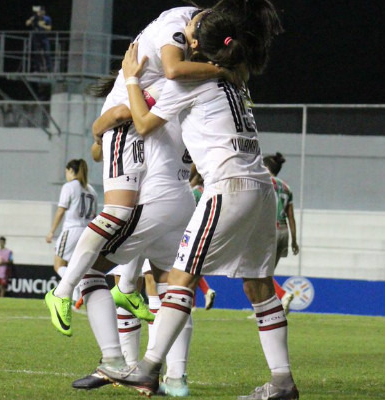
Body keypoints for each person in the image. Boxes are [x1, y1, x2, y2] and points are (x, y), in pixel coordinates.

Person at [97, 4, 298, 399]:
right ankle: (282, 382)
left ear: (200, 46)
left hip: (228, 186)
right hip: (260, 185)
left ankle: (149, 366)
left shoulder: (188, 83)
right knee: (259, 288)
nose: (186, 37)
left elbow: (141, 122)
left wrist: (133, 80)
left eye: (191, 34)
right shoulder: (236, 80)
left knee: (181, 277)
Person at [48, 4, 237, 396]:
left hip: (152, 201)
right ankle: (173, 377)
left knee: (93, 271)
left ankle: (110, 355)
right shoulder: (213, 90)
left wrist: (130, 83)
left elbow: (130, 117)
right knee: (172, 288)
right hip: (182, 201)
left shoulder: (176, 84)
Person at [46, 159, 97, 306]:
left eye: (66, 172)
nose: (66, 175)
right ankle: (77, 294)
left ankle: (76, 289)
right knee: (74, 265)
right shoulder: (91, 190)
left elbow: (61, 209)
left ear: (70, 171)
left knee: (58, 264)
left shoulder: (69, 186)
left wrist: (51, 231)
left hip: (72, 229)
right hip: (87, 231)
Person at [264, 152, 299, 313]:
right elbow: (291, 216)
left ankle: (283, 295)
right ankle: (272, 308)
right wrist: (294, 240)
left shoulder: (264, 182)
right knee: (267, 273)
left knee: (260, 273)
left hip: (269, 230)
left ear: (265, 167)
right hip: (284, 231)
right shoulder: (287, 187)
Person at [189, 163, 217, 310]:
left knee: (186, 268)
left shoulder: (194, 192)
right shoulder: (208, 191)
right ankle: (202, 294)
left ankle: (201, 295)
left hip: (193, 231)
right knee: (193, 268)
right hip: (209, 231)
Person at [25, 5, 52, 72]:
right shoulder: (34, 18)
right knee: (36, 54)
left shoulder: (47, 18)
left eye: (40, 12)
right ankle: (37, 69)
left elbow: (49, 28)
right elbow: (27, 24)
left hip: (44, 37)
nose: (39, 13)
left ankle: (49, 69)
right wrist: (31, 20)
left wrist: (42, 25)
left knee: (47, 53)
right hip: (36, 38)